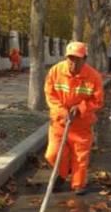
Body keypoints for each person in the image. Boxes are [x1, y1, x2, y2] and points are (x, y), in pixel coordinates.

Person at [44, 41, 104, 195]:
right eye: (70, 58)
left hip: (81, 125)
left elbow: (97, 101)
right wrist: (62, 111)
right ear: (66, 57)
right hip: (59, 123)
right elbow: (50, 94)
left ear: (85, 59)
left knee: (80, 156)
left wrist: (81, 108)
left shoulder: (93, 77)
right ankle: (64, 173)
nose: (73, 62)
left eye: (77, 59)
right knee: (53, 154)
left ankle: (78, 184)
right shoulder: (55, 71)